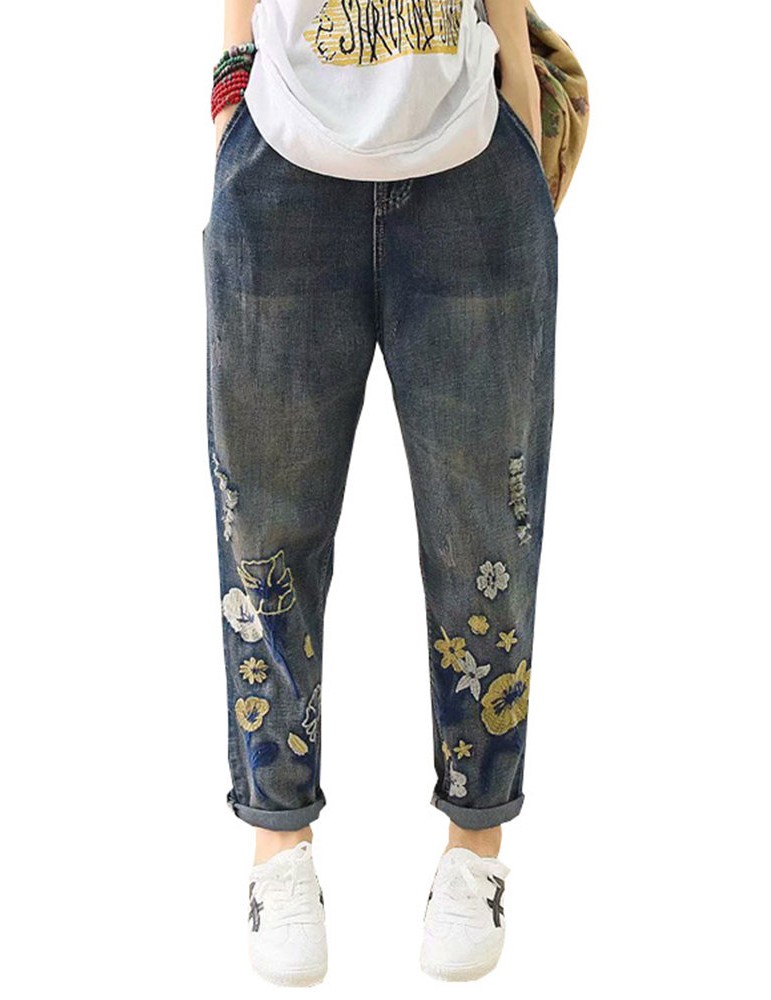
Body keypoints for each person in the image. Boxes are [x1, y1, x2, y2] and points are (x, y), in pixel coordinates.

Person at [202, 0, 556, 985]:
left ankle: (474, 845)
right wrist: (232, 88)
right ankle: (279, 846)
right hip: (281, 165)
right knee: (265, 526)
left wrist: (520, 100)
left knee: (486, 527)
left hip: (469, 163)